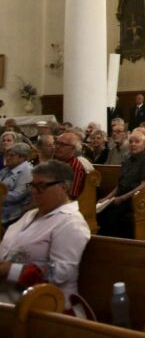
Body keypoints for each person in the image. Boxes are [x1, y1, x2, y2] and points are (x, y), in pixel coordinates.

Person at [0, 161, 90, 308]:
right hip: (8, 297)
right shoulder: (30, 214)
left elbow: (61, 272)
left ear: (64, 187)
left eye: (41, 186)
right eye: (32, 185)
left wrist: (10, 270)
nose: (34, 191)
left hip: (45, 305)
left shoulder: (70, 222)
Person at [97, 130, 145, 238]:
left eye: (137, 142)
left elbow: (144, 185)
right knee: (100, 211)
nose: (133, 144)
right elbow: (120, 185)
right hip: (121, 195)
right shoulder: (127, 160)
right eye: (131, 142)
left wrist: (123, 198)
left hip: (135, 198)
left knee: (111, 215)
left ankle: (115, 244)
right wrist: (106, 198)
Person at [0, 142, 33, 226]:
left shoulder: (27, 171)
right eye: (7, 155)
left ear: (22, 157)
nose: (7, 158)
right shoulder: (6, 169)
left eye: (11, 155)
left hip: (12, 216)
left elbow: (17, 195)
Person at [52, 130, 87, 199]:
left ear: (73, 148)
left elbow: (71, 196)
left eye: (62, 144)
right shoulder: (54, 162)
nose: (57, 147)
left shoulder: (75, 167)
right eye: (57, 143)